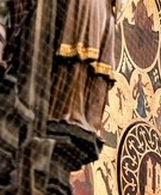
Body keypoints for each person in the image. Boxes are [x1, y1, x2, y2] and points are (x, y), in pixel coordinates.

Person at [48, 0, 120, 137]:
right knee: (81, 48)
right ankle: (70, 110)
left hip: (108, 8)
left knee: (102, 66)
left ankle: (92, 120)